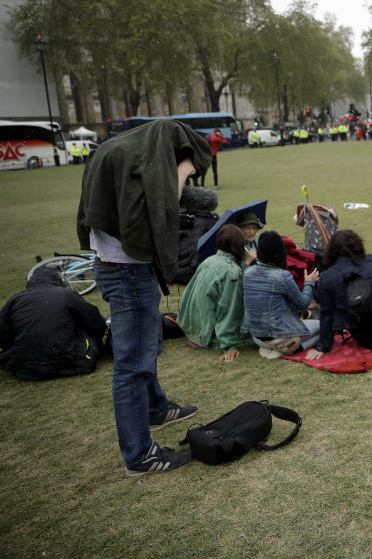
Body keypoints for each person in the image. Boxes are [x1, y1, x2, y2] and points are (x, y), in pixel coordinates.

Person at [78, 119, 211, 476]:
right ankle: (139, 455)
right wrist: (183, 170)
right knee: (132, 365)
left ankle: (154, 408)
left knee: (145, 346)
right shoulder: (144, 162)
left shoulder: (115, 151)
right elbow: (163, 201)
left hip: (113, 266)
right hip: (127, 272)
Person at [0, 265, 106, 381]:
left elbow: (3, 335)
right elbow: (96, 323)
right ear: (57, 279)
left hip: (26, 368)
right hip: (73, 363)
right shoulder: (66, 294)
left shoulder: (15, 299)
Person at [177, 225, 253, 363]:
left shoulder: (209, 260)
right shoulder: (232, 272)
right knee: (259, 335)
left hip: (191, 330)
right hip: (206, 337)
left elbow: (188, 292)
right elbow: (229, 310)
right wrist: (229, 345)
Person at [241, 230, 322, 359]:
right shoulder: (283, 276)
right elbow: (302, 304)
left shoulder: (247, 272)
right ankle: (290, 349)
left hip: (256, 337)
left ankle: (275, 346)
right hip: (280, 338)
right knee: (323, 326)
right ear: (280, 253)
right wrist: (309, 283)